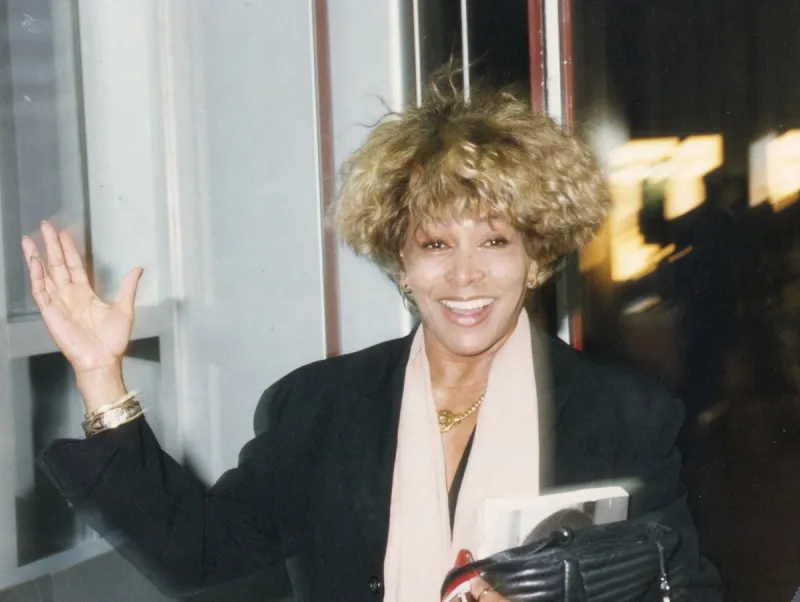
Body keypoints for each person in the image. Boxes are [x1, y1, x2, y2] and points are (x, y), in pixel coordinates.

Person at [21, 70, 722, 601]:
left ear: (536, 258)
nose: (465, 276)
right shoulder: (318, 405)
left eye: (496, 241)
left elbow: (681, 588)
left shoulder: (622, 415)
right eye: (436, 244)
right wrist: (98, 374)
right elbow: (201, 556)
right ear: (402, 262)